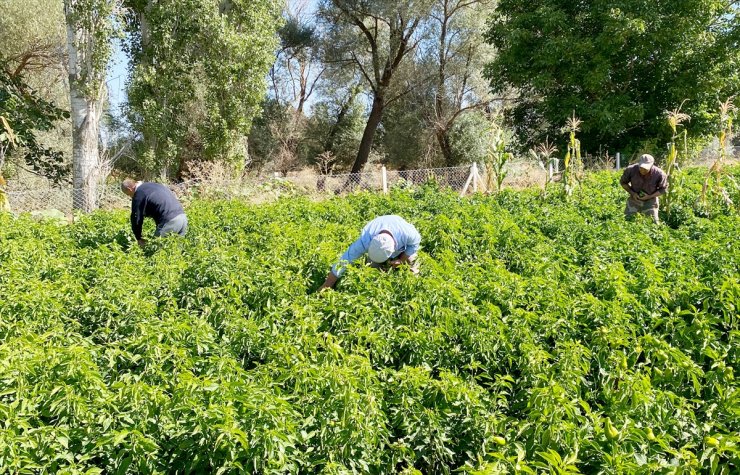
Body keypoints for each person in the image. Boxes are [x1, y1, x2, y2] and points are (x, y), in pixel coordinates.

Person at [320, 215, 421, 290]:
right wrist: (327, 285)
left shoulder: (408, 234)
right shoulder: (366, 240)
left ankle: (415, 288)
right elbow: (344, 261)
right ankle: (377, 287)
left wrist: (400, 259)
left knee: (411, 262)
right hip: (380, 232)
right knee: (372, 271)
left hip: (401, 240)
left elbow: (415, 245)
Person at [121, 179, 188, 246]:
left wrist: (138, 238)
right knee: (177, 251)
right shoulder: (152, 185)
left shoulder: (139, 193)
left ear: (129, 189)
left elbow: (136, 217)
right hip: (182, 217)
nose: (130, 197)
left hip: (170, 221)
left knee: (157, 251)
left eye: (128, 194)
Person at [619, 154, 668, 223]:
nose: (642, 170)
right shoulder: (631, 170)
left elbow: (663, 189)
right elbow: (623, 183)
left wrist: (649, 196)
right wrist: (633, 193)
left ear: (651, 165)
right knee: (628, 221)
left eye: (646, 169)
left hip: (651, 200)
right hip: (634, 199)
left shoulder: (659, 174)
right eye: (641, 167)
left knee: (654, 223)